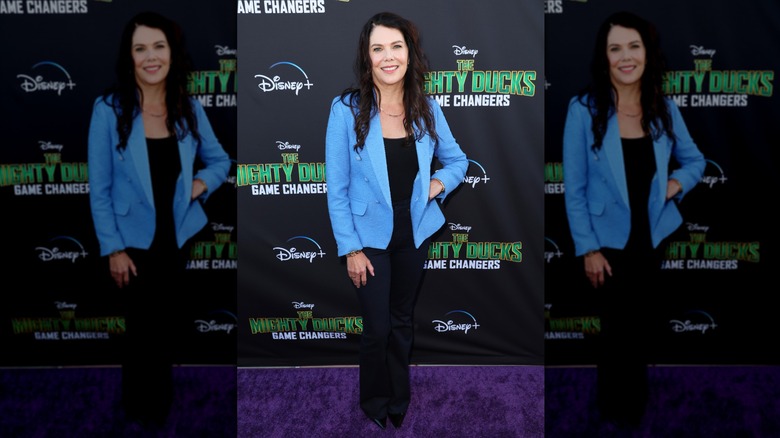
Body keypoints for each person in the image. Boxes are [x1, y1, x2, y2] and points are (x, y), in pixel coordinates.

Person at [325, 11, 468, 431]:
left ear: (410, 53)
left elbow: (458, 162)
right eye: (378, 48)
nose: (388, 57)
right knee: (376, 328)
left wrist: (433, 186)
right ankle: (374, 398)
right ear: (367, 58)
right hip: (366, 237)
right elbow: (336, 189)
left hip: (414, 231)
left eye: (396, 46)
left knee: (402, 322)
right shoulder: (346, 109)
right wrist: (350, 248)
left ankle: (399, 398)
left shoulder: (427, 107)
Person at [87, 11, 231, 426]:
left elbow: (220, 162)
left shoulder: (188, 107)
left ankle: (161, 404)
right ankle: (137, 406)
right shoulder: (108, 110)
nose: (151, 56)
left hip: (176, 238)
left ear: (172, 53)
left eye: (159, 46)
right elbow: (98, 189)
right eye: (140, 48)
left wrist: (196, 185)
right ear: (129, 57)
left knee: (165, 325)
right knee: (139, 330)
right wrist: (112, 248)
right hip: (130, 243)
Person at [562, 11, 705, 427]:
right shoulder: (583, 110)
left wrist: (672, 186)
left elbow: (694, 162)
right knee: (614, 332)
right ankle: (613, 407)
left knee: (640, 327)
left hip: (652, 238)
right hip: (606, 244)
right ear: (604, 57)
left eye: (634, 46)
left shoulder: (663, 107)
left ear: (647, 52)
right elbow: (574, 189)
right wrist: (587, 248)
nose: (626, 56)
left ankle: (636, 405)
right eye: (615, 48)